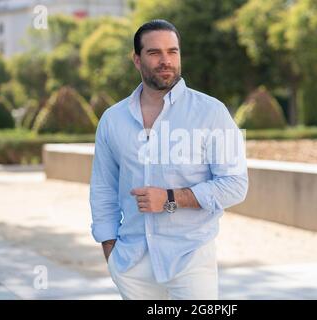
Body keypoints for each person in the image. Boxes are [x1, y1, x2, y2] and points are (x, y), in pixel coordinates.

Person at [89, 19, 248, 300]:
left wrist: (171, 198)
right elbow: (103, 190)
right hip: (131, 262)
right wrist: (110, 251)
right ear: (137, 60)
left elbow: (235, 184)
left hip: (190, 259)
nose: (166, 61)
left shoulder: (211, 113)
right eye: (154, 53)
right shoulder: (113, 120)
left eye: (172, 52)